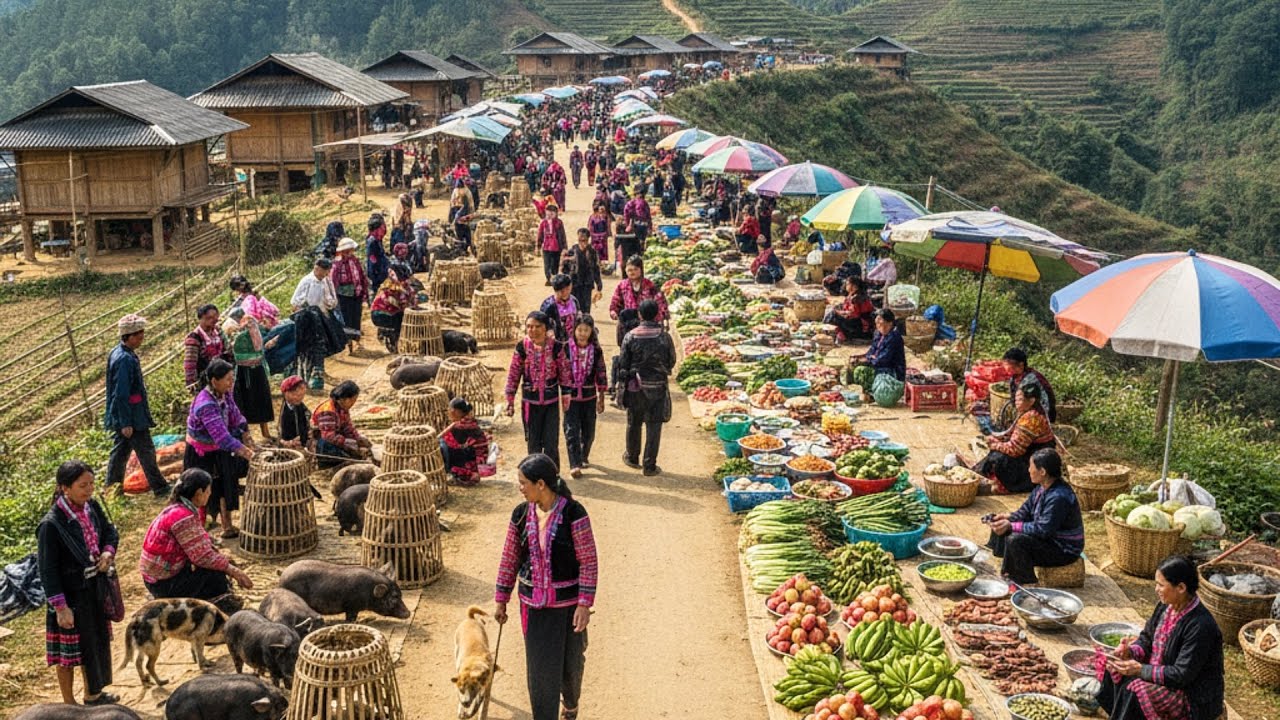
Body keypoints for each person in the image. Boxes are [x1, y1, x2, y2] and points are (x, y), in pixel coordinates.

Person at [493, 453, 597, 720]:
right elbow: (510, 557)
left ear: (541, 484)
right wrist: (501, 598)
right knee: (540, 675)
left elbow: (588, 560)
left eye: (523, 482)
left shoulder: (574, 513)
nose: (520, 487)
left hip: (568, 609)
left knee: (570, 668)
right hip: (534, 608)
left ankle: (571, 705)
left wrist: (584, 604)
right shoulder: (520, 515)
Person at [1098, 556, 1224, 720]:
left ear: (1181, 587)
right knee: (1113, 667)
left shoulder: (1200, 626)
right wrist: (1130, 652)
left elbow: (1181, 675)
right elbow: (1146, 639)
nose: (1156, 589)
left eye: (1161, 585)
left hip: (1188, 694)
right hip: (1162, 674)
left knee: (1135, 690)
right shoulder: (1165, 606)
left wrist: (1141, 670)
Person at [37, 460, 120, 705]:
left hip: (94, 587)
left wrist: (107, 552)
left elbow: (110, 532)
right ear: (65, 488)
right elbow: (47, 570)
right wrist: (61, 607)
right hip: (69, 595)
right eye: (83, 485)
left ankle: (92, 694)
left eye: (92, 484)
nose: (89, 489)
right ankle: (69, 704)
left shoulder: (92, 506)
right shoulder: (51, 525)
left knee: (93, 644)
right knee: (67, 654)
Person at [139, 467, 253, 606]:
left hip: (156, 577)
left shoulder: (177, 508)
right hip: (163, 583)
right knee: (216, 576)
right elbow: (202, 557)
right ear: (199, 492)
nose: (210, 493)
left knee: (220, 562)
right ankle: (217, 610)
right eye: (208, 490)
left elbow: (198, 542)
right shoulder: (183, 517)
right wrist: (234, 572)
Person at [983, 448, 1083, 584]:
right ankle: (1005, 566)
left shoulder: (1059, 497)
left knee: (1015, 540)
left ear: (1042, 472)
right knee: (1003, 524)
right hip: (1048, 538)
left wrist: (1011, 526)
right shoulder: (1041, 488)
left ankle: (1023, 580)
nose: (1029, 470)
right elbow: (1025, 512)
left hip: (1063, 549)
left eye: (1031, 466)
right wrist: (1007, 517)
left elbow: (1043, 530)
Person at [103, 314, 170, 497]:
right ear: (129, 336)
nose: (142, 339)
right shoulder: (124, 359)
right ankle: (160, 487)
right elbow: (121, 393)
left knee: (120, 453)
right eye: (139, 336)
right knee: (146, 452)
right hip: (132, 416)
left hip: (129, 414)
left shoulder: (120, 353)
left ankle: (112, 489)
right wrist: (125, 422)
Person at [185, 359, 254, 538]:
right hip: (201, 453)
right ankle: (199, 533)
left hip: (219, 449)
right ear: (214, 381)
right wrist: (247, 453)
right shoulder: (206, 404)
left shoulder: (225, 393)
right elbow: (222, 438)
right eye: (228, 379)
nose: (231, 383)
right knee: (200, 491)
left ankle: (227, 526)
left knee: (226, 484)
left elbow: (235, 415)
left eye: (233, 378)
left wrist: (246, 434)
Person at [617, 299, 676, 476]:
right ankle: (649, 465)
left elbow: (623, 363)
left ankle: (632, 457)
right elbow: (671, 361)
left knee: (634, 422)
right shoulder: (664, 336)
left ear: (640, 315)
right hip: (658, 387)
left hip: (636, 387)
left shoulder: (631, 335)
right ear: (657, 314)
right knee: (654, 426)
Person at [505, 312, 567, 470]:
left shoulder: (556, 347)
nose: (533, 330)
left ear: (546, 328)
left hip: (551, 402)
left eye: (537, 326)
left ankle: (553, 476)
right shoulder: (522, 347)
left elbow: (564, 372)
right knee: (533, 442)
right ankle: (534, 475)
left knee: (551, 441)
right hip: (529, 403)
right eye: (529, 326)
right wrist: (509, 399)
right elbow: (514, 373)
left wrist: (567, 394)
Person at [972, 384, 1056, 494]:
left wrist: (994, 444)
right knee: (996, 451)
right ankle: (980, 474)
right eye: (1016, 397)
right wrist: (997, 440)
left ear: (1031, 400)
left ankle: (999, 486)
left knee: (999, 458)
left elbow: (1015, 450)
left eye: (1020, 399)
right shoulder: (1029, 412)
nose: (1016, 401)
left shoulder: (1032, 418)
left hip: (1035, 467)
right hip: (1031, 458)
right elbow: (1012, 436)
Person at [562, 315, 608, 479]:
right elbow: (561, 371)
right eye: (579, 330)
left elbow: (601, 373)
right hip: (571, 397)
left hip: (589, 396)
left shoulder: (596, 350)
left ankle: (583, 454)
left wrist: (601, 397)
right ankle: (574, 464)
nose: (582, 334)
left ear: (591, 332)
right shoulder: (565, 349)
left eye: (586, 330)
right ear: (574, 331)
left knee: (589, 431)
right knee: (571, 430)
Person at [291, 257, 342, 390]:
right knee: (305, 349)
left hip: (319, 318)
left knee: (320, 347)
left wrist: (328, 305)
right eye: (324, 271)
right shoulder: (307, 281)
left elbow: (329, 300)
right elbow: (295, 302)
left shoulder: (324, 281)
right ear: (317, 268)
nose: (325, 274)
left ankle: (317, 377)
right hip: (306, 319)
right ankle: (303, 379)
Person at [608, 255, 668, 346]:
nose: (632, 273)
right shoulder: (622, 285)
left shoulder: (650, 285)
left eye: (635, 269)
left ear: (641, 270)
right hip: (628, 323)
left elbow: (661, 303)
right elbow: (616, 300)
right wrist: (613, 311)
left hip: (647, 325)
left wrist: (661, 318)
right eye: (629, 270)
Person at [311, 380, 372, 466]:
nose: (353, 403)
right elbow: (329, 436)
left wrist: (358, 439)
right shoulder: (328, 411)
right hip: (322, 444)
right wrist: (352, 445)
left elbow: (348, 427)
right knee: (346, 456)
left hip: (336, 438)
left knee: (355, 449)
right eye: (353, 400)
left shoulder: (342, 408)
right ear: (345, 398)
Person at [183, 304, 233, 394]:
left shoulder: (217, 330)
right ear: (201, 319)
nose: (214, 320)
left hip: (223, 375)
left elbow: (227, 349)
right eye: (209, 318)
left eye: (215, 316)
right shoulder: (194, 338)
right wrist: (192, 383)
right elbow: (190, 363)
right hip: (206, 379)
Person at [440, 397, 490, 486]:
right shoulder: (467, 420)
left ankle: (454, 471)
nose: (449, 413)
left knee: (442, 446)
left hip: (474, 459)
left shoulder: (460, 426)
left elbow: (443, 438)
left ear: (455, 411)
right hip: (478, 458)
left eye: (450, 410)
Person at [370, 264, 419, 353]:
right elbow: (398, 302)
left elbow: (412, 295)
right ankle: (396, 344)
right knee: (401, 318)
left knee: (404, 315)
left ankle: (398, 340)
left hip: (391, 311)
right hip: (380, 314)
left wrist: (414, 303)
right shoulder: (391, 286)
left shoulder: (405, 286)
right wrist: (410, 307)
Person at [1002, 347, 1057, 422]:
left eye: (1009, 365)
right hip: (1028, 412)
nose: (1006, 368)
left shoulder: (1031, 379)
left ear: (1021, 365)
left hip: (1043, 416)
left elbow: (1027, 403)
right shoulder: (1014, 377)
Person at [561, 228, 603, 315]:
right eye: (580, 239)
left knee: (586, 308)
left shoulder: (592, 252)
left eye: (584, 239)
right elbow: (565, 268)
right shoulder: (572, 251)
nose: (582, 242)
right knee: (574, 305)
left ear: (588, 239)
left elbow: (596, 268)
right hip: (575, 282)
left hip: (587, 283)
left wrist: (599, 284)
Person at [826, 276, 876, 343]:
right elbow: (845, 308)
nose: (847, 286)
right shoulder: (852, 295)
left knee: (834, 315)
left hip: (862, 326)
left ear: (856, 286)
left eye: (848, 284)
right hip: (858, 322)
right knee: (832, 311)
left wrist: (839, 312)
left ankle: (845, 335)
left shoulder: (857, 298)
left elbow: (853, 315)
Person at [540, 274, 580, 343]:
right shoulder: (548, 306)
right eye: (562, 291)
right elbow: (541, 323)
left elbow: (578, 317)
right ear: (555, 290)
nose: (565, 293)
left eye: (568, 289)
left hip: (572, 341)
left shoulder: (574, 301)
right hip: (555, 342)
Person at [278, 375, 312, 451]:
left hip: (301, 438)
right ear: (286, 393)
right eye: (297, 395)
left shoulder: (299, 405)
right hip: (290, 442)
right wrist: (288, 442)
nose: (300, 398)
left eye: (302, 395)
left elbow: (307, 416)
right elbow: (281, 431)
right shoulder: (284, 412)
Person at [538, 204, 567, 286]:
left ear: (556, 214)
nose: (549, 216)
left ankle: (554, 277)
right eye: (548, 214)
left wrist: (564, 247)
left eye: (552, 214)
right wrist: (538, 245)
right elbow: (540, 234)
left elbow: (562, 235)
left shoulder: (559, 223)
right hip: (546, 247)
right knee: (547, 264)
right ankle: (548, 278)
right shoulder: (543, 223)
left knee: (555, 263)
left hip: (556, 247)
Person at [365, 215, 390, 303]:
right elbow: (372, 260)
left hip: (380, 271)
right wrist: (375, 276)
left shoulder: (377, 239)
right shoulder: (372, 241)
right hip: (376, 274)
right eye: (382, 227)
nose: (384, 229)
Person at [622, 188, 651, 256]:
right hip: (641, 224)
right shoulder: (643, 203)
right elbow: (648, 216)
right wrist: (650, 227)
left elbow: (626, 214)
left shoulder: (631, 203)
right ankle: (640, 253)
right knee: (641, 240)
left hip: (637, 224)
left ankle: (637, 253)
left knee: (637, 240)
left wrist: (627, 224)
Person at [450, 179, 476, 253]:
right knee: (460, 236)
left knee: (467, 236)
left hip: (465, 218)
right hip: (459, 218)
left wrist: (470, 215)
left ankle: (468, 248)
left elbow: (471, 205)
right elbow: (452, 203)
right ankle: (462, 249)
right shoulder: (456, 191)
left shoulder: (467, 192)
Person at [587, 203, 612, 269]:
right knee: (594, 252)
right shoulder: (592, 217)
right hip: (595, 239)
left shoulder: (606, 217)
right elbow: (590, 229)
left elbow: (608, 228)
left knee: (603, 254)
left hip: (603, 239)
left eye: (603, 210)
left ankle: (602, 268)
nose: (602, 211)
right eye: (600, 210)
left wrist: (607, 235)